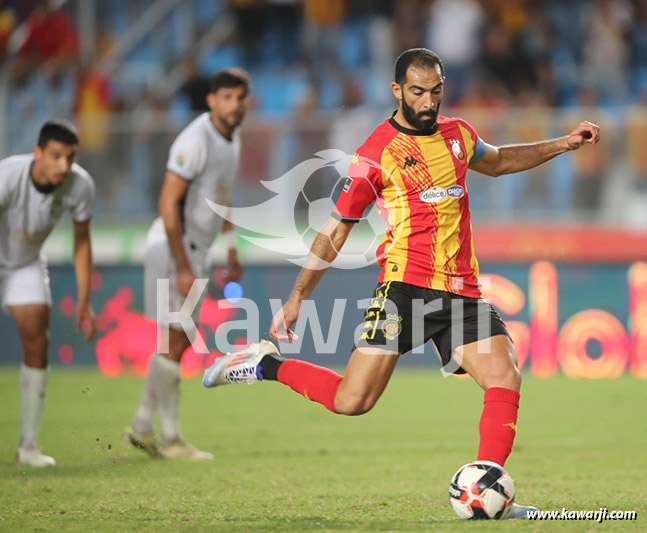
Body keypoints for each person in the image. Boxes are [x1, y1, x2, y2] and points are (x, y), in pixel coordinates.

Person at [203, 49, 600, 516]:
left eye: (435, 91)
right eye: (417, 92)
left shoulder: (458, 134)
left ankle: (490, 489)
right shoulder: (376, 154)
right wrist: (296, 299)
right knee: (352, 401)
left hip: (461, 290)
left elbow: (499, 162)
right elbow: (336, 230)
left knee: (505, 374)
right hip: (404, 290)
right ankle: (265, 364)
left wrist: (564, 144)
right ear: (397, 91)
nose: (428, 102)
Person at [126, 69, 249, 460]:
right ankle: (172, 438)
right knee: (176, 340)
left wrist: (230, 248)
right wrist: (181, 265)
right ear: (212, 100)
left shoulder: (232, 139)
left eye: (240, 98)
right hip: (173, 245)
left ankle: (143, 425)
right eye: (226, 97)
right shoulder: (195, 140)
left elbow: (222, 197)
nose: (234, 105)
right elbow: (168, 202)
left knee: (174, 341)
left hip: (195, 249)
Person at [0, 120, 96, 467]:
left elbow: (82, 240)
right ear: (36, 152)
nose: (63, 166)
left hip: (24, 264)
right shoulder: (7, 176)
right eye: (55, 156)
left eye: (70, 157)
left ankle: (28, 446)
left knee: (38, 342)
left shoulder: (79, 185)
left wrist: (84, 300)